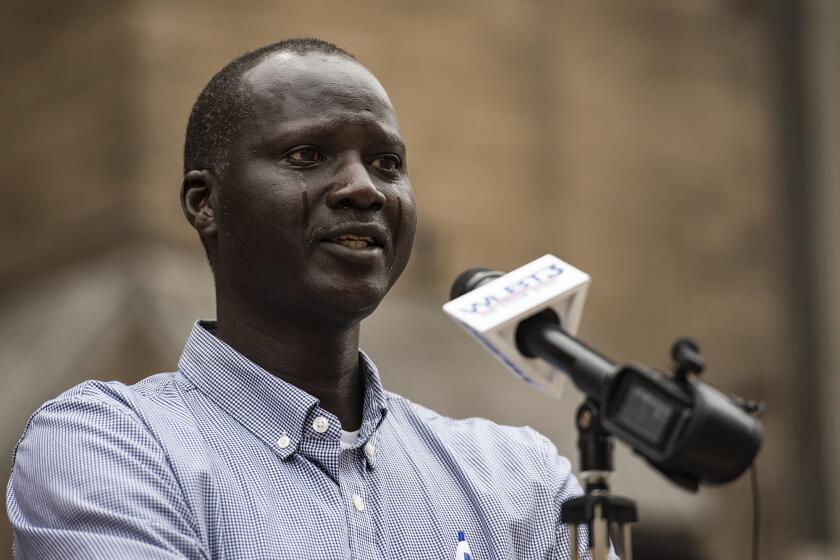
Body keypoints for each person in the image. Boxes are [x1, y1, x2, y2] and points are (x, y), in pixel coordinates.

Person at [6, 38, 597, 559]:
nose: (365, 188)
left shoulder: (518, 478)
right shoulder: (111, 446)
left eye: (387, 163)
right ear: (203, 202)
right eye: (305, 157)